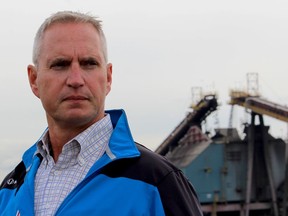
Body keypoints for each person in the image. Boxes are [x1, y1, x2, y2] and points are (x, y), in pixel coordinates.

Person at [0, 11, 203, 216]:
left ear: (108, 77)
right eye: (60, 64)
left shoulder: (156, 182)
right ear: (34, 80)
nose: (76, 80)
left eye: (89, 63)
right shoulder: (11, 188)